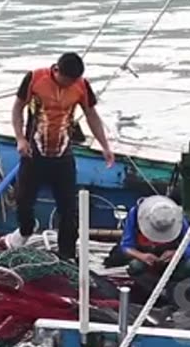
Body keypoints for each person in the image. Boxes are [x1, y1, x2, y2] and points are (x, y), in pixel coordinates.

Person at [7, 52, 115, 261]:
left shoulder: (81, 86)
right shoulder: (35, 78)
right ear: (57, 70)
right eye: (67, 81)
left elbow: (92, 114)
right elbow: (17, 108)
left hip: (63, 154)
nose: (69, 85)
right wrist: (20, 138)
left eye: (73, 82)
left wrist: (105, 146)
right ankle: (26, 230)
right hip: (34, 153)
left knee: (68, 208)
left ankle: (66, 254)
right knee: (23, 199)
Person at [114, 195, 190, 282]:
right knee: (135, 266)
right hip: (145, 262)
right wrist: (142, 256)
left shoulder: (177, 217)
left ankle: (173, 287)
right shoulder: (135, 214)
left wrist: (176, 254)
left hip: (172, 264)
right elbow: (126, 246)